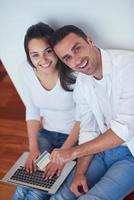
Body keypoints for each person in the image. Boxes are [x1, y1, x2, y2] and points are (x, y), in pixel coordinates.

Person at [49, 25, 134, 200]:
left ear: (89, 41)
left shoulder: (129, 67)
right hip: (100, 149)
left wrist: (72, 152)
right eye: (68, 58)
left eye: (77, 48)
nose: (76, 61)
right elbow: (88, 129)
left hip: (131, 155)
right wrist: (80, 173)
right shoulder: (82, 84)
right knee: (60, 196)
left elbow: (123, 131)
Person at [12, 23, 80, 200]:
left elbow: (83, 119)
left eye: (48, 51)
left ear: (55, 49)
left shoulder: (74, 73)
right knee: (24, 184)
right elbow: (32, 110)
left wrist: (64, 153)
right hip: (47, 135)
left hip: (72, 139)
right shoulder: (25, 70)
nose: (43, 59)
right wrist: (33, 147)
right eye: (35, 55)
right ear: (29, 57)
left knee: (38, 188)